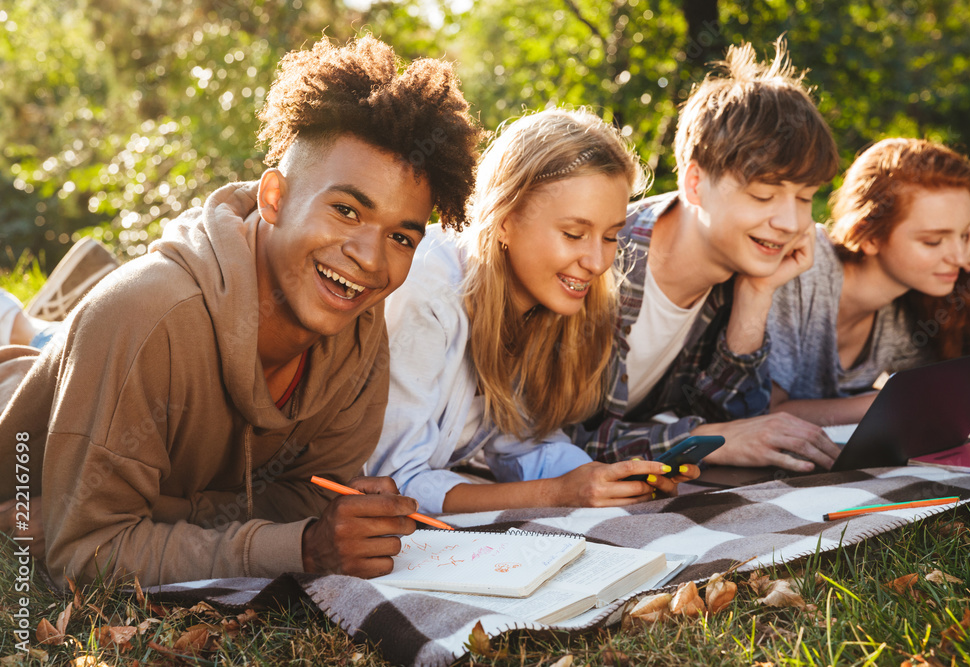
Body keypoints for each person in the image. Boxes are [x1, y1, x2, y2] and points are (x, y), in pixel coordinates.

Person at [0, 35, 480, 587]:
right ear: (273, 197)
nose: (370, 260)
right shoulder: (146, 316)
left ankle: (45, 315)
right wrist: (299, 547)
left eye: (400, 236)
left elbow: (306, 493)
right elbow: (84, 552)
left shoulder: (357, 331)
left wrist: (176, 515)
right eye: (346, 210)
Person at [366, 108, 698, 514]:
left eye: (611, 236)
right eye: (574, 234)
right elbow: (395, 484)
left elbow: (522, 443)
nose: (596, 261)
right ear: (505, 220)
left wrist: (608, 480)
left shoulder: (535, 304)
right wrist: (559, 494)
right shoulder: (428, 294)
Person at [569, 39, 845, 474]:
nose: (791, 222)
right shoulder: (602, 261)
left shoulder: (738, 270)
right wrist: (697, 441)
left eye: (806, 197)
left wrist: (757, 293)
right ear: (695, 183)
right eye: (764, 194)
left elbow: (736, 424)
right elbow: (558, 441)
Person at [768, 138, 970, 425]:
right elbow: (761, 412)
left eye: (965, 235)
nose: (960, 256)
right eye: (933, 241)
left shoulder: (910, 311)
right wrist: (892, 401)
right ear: (870, 234)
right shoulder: (803, 268)